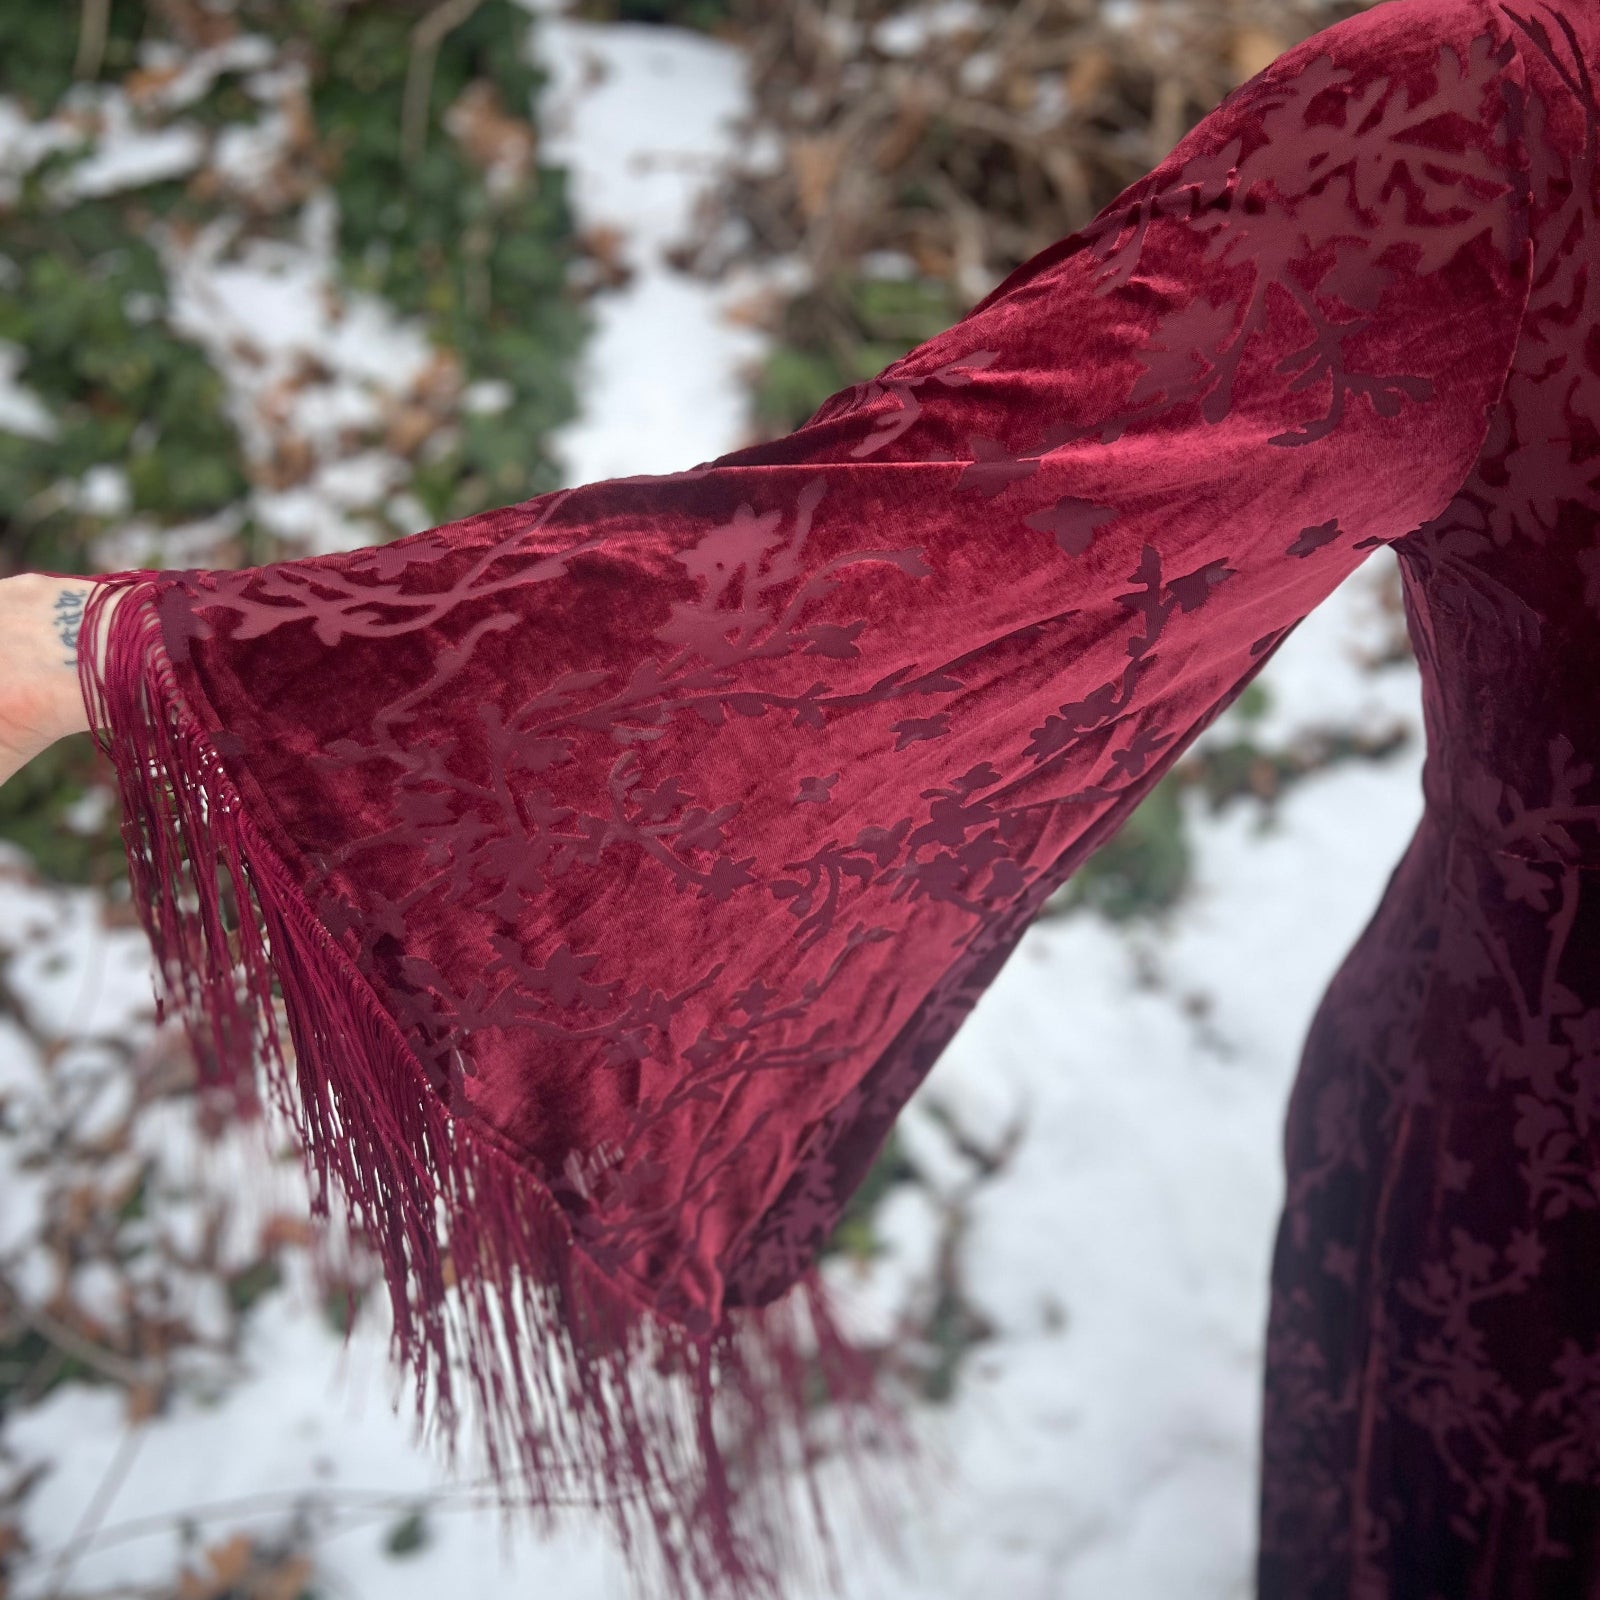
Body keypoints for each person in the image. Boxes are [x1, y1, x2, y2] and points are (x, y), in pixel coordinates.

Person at [2, 0, 1596, 1594]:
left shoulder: (1510, 119)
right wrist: (148, 655)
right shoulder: (1515, 134)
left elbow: (872, 581)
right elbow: (909, 563)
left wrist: (110, 652)